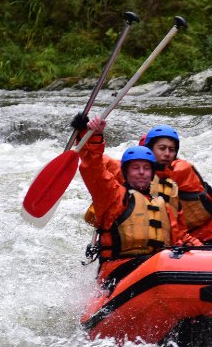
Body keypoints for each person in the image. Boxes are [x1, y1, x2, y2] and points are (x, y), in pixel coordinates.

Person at [72, 116, 212, 244]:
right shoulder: (126, 171)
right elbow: (93, 164)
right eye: (162, 148)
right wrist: (86, 134)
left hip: (206, 235)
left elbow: (177, 232)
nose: (167, 154)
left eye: (171, 150)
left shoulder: (180, 174)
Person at [79, 117, 201, 278]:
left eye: (146, 168)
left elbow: (180, 237)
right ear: (125, 172)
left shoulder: (163, 203)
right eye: (135, 168)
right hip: (119, 270)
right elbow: (93, 166)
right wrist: (93, 135)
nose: (142, 172)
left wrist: (207, 254)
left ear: (152, 174)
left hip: (155, 267)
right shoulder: (111, 195)